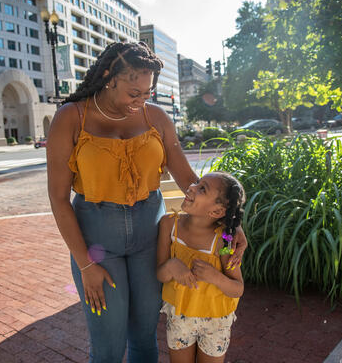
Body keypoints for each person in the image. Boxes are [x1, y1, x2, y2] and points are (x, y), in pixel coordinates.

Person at [46, 41, 247, 363]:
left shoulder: (156, 117)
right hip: (97, 239)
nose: (139, 102)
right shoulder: (71, 117)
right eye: (133, 92)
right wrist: (85, 264)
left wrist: (229, 224)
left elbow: (186, 178)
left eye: (147, 94)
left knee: (144, 337)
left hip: (150, 238)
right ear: (110, 75)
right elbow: (57, 198)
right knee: (108, 344)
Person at [157, 171, 246, 363]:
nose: (192, 187)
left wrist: (216, 278)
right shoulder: (169, 225)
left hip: (216, 322)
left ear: (216, 212)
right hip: (180, 318)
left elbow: (238, 288)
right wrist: (171, 265)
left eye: (202, 188)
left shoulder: (223, 241)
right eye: (197, 182)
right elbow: (160, 274)